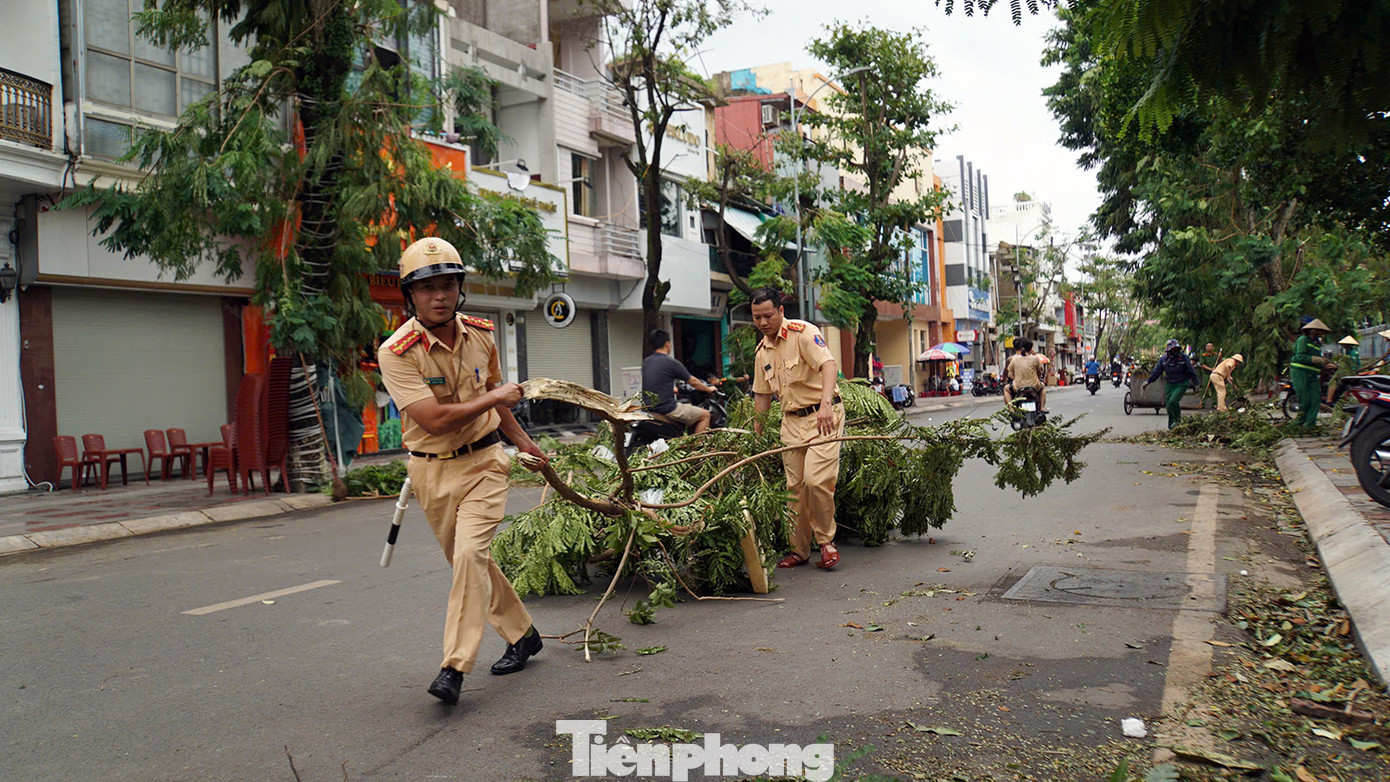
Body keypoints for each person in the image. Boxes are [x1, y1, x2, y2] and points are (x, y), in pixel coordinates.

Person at [377, 237, 550, 706]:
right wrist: (496, 399)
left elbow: (495, 396)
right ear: (410, 295)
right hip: (431, 472)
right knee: (469, 564)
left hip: (484, 462)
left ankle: (453, 667)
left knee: (471, 555)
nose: (439, 296)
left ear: (460, 288)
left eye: (448, 285)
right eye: (427, 287)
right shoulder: (397, 351)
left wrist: (525, 443)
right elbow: (433, 418)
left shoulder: (482, 334)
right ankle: (524, 635)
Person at [749, 287, 844, 570]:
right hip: (790, 422)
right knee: (795, 489)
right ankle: (799, 550)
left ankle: (826, 542)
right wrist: (758, 434)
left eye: (767, 315)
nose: (763, 322)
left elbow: (828, 365)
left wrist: (826, 404)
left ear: (780, 311)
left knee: (816, 481)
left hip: (822, 417)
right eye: (757, 318)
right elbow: (762, 396)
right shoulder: (761, 352)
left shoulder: (803, 333)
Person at [641, 330, 720, 434]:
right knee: (705, 415)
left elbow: (657, 382)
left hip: (648, 408)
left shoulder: (646, 362)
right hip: (666, 409)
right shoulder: (670, 362)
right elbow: (693, 382)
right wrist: (709, 389)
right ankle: (697, 448)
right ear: (667, 344)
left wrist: (674, 390)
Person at [1143, 339, 1199, 429]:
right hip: (1170, 384)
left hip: (1181, 384)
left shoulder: (1184, 358)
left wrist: (1196, 384)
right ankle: (1171, 427)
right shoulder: (1164, 359)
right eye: (1173, 350)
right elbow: (1157, 371)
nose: (1175, 352)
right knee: (1168, 406)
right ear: (1169, 351)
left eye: (1176, 349)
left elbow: (1191, 371)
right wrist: (1148, 381)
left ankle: (1177, 422)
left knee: (1173, 401)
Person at [1290, 318, 1331, 428]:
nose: (1321, 334)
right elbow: (1299, 357)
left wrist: (1326, 364)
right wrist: (1316, 360)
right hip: (1300, 373)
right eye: (1320, 332)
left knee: (1316, 399)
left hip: (1312, 374)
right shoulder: (1303, 340)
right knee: (1305, 400)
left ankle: (1310, 424)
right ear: (1313, 331)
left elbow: (1319, 360)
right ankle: (1298, 424)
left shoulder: (1317, 345)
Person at [1002, 338, 1047, 412]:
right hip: (1034, 386)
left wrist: (1016, 378)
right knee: (1043, 387)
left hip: (1018, 386)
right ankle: (1042, 407)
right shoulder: (1034, 359)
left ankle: (1011, 410)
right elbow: (1040, 371)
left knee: (1006, 389)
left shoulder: (1013, 359)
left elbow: (1009, 375)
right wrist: (1037, 378)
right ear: (1031, 348)